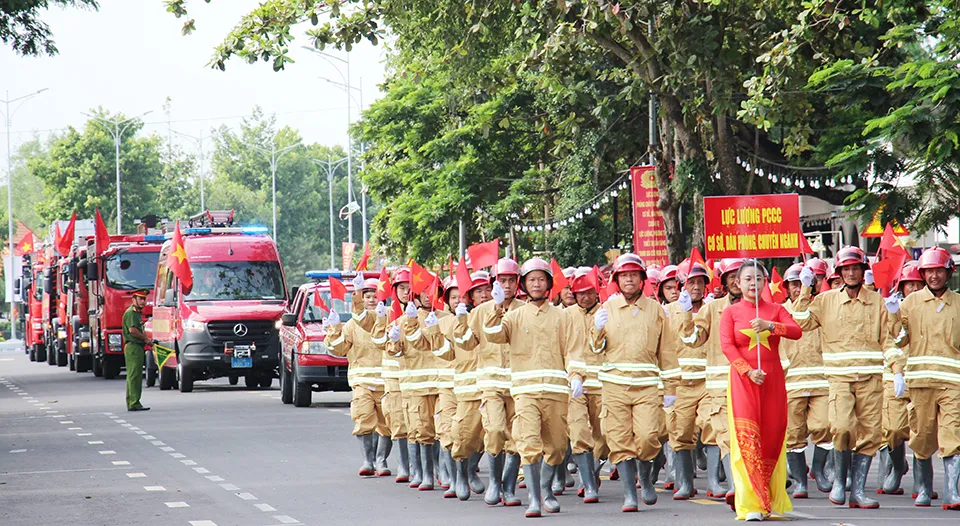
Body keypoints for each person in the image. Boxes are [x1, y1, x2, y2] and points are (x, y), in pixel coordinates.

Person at [792, 246, 898, 509]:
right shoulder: (826, 300)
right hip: (839, 380)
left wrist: (897, 371)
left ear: (863, 271)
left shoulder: (877, 302)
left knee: (871, 434)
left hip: (871, 380)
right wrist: (806, 288)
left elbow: (890, 340)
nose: (851, 273)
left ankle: (858, 491)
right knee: (840, 428)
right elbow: (800, 322)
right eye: (846, 269)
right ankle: (839, 481)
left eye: (855, 268)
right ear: (838, 272)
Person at [483, 257, 585, 518]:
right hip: (525, 393)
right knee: (528, 443)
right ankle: (534, 499)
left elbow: (572, 349)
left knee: (557, 446)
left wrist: (575, 374)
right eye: (531, 280)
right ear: (523, 285)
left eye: (541, 279)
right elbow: (494, 335)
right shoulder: (513, 316)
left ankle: (546, 490)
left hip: (556, 392)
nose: (536, 284)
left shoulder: (563, 317)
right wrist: (496, 306)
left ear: (549, 283)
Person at [592, 253, 681, 512]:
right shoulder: (607, 309)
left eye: (634, 275)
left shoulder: (656, 310)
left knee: (648, 437)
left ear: (642, 280)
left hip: (646, 387)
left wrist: (671, 388)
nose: (629, 279)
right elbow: (595, 348)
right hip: (615, 386)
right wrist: (596, 329)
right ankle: (630, 495)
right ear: (616, 280)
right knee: (619, 441)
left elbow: (666, 351)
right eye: (624, 276)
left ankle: (647, 479)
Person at [720, 261, 802, 521]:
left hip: (773, 380)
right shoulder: (731, 312)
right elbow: (727, 346)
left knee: (771, 434)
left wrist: (770, 326)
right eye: (746, 279)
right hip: (744, 381)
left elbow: (796, 332)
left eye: (757, 278)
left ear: (765, 281)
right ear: (738, 283)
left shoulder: (776, 310)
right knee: (747, 439)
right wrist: (747, 371)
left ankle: (768, 498)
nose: (752, 283)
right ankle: (749, 503)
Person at [891, 247, 960, 509]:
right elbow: (898, 341)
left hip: (952, 384)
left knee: (952, 435)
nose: (934, 276)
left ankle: (952, 492)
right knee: (922, 436)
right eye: (930, 271)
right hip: (920, 384)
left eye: (939, 270)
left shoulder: (959, 304)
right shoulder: (909, 304)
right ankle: (924, 488)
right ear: (923, 273)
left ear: (948, 272)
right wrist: (894, 317)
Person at [454, 258, 525, 506]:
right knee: (494, 431)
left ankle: (509, 487)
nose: (506, 285)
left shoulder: (523, 309)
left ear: (518, 283)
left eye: (511, 280)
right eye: (502, 280)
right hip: (491, 386)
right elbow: (467, 344)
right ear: (495, 282)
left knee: (517, 437)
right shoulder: (481, 312)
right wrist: (461, 324)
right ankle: (494, 482)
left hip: (519, 385)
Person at [679, 258, 745, 505]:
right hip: (720, 386)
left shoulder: (762, 308)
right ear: (725, 282)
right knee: (725, 435)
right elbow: (694, 340)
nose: (738, 281)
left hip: (751, 383)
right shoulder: (712, 309)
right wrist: (687, 315)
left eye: (744, 276)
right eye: (732, 277)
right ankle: (735, 487)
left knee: (749, 436)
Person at [325, 274, 390, 478]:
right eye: (367, 296)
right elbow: (339, 349)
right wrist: (334, 329)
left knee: (387, 425)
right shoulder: (353, 324)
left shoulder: (389, 317)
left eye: (374, 296)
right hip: (361, 382)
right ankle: (367, 460)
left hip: (387, 381)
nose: (371, 300)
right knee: (363, 419)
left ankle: (381, 460)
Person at [779, 263, 833, 498]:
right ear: (786, 287)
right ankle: (800, 481)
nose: (800, 289)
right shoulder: (779, 311)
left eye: (806, 283)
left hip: (822, 381)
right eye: (795, 284)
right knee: (793, 435)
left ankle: (819, 471)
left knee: (824, 427)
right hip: (791, 383)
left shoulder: (823, 308)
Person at [876, 261, 922, 495]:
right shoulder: (890, 308)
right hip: (893, 378)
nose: (913, 289)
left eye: (917, 284)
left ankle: (922, 484)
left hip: (922, 378)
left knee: (922, 432)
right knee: (893, 430)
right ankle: (897, 466)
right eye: (909, 284)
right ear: (901, 287)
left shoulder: (931, 308)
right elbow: (889, 341)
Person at [669, 262, 712, 500]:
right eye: (691, 282)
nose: (696, 287)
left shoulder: (712, 309)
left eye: (700, 282)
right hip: (681, 383)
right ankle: (685, 483)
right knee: (681, 433)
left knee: (713, 427)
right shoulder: (668, 312)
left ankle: (715, 482)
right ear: (681, 286)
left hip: (708, 381)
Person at [563, 267, 605, 504]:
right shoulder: (566, 315)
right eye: (580, 293)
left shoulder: (607, 312)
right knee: (578, 432)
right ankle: (588, 484)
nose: (584, 297)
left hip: (603, 385)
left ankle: (594, 473)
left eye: (589, 292)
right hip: (574, 384)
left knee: (606, 436)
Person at [371, 267, 414, 486]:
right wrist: (380, 323)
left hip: (415, 376)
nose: (406, 292)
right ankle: (404, 466)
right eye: (401, 288)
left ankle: (423, 467)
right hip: (394, 377)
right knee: (398, 421)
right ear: (394, 289)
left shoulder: (423, 311)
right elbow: (378, 343)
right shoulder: (387, 313)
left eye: (409, 288)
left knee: (418, 422)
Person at [123, 289, 150, 412]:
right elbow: (132, 330)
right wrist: (146, 339)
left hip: (136, 346)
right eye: (141, 299)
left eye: (144, 299)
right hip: (133, 346)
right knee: (134, 375)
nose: (143, 301)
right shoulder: (132, 313)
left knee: (135, 375)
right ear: (134, 299)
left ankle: (133, 401)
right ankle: (134, 402)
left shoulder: (137, 312)